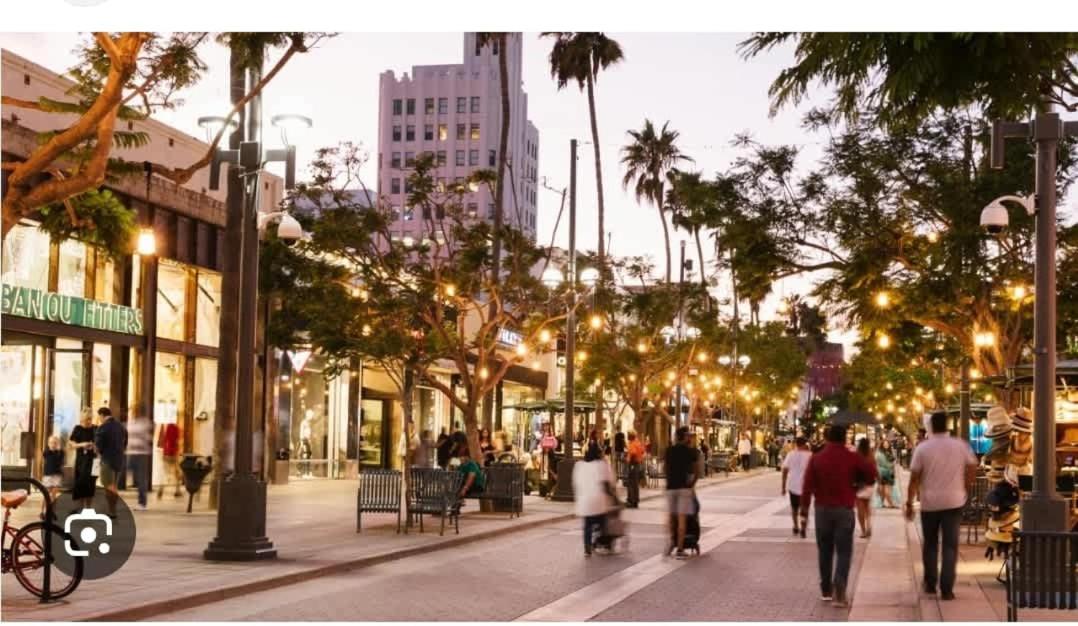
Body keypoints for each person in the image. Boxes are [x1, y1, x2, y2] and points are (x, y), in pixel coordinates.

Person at [801, 424, 877, 607]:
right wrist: (858, 484)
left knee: (824, 551)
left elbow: (807, 486)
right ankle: (840, 589)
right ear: (845, 438)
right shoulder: (852, 457)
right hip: (844, 509)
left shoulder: (817, 458)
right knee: (844, 551)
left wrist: (804, 512)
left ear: (827, 438)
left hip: (822, 510)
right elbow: (871, 473)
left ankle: (826, 590)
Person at [905, 411, 978, 601]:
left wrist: (909, 502)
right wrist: (965, 486)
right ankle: (947, 589)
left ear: (931, 426)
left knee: (930, 544)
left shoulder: (923, 448)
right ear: (947, 425)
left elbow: (914, 478)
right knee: (950, 546)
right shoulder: (960, 445)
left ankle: (930, 583)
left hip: (930, 503)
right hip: (954, 501)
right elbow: (972, 466)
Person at [573, 442, 616, 556]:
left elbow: (576, 483)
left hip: (585, 501)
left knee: (587, 525)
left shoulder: (579, 465)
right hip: (598, 500)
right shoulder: (601, 465)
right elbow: (608, 482)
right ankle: (605, 545)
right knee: (603, 523)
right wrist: (613, 497)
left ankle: (587, 548)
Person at [664, 426, 699, 559]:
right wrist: (691, 485)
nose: (689, 438)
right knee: (682, 519)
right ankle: (679, 548)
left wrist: (669, 480)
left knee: (671, 518)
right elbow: (696, 472)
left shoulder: (669, 450)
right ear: (684, 437)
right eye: (688, 436)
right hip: (684, 488)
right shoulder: (691, 451)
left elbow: (665, 468)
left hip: (671, 487)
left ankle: (671, 542)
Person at [94, 407, 126, 518]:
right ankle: (112, 509)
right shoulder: (120, 426)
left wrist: (97, 452)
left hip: (107, 460)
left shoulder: (103, 427)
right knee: (113, 485)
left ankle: (112, 511)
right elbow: (125, 441)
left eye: (99, 417)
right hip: (119, 459)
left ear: (102, 415)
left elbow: (98, 445)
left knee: (109, 485)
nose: (99, 419)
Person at [781, 436, 812, 538]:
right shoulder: (810, 455)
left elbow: (785, 470)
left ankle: (795, 526)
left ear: (796, 444)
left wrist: (783, 486)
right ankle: (803, 527)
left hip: (793, 485)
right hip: (806, 486)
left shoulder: (791, 454)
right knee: (805, 508)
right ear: (805, 444)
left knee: (794, 508)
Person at [69, 408, 97, 510]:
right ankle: (79, 507)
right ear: (82, 419)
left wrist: (93, 446)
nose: (88, 422)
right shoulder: (78, 428)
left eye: (89, 419)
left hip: (93, 460)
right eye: (85, 420)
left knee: (90, 484)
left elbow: (100, 444)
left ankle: (88, 508)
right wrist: (82, 445)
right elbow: (71, 443)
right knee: (79, 483)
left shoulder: (95, 429)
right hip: (81, 460)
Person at [125, 412, 153, 511]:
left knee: (141, 479)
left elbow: (149, 438)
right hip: (131, 453)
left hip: (141, 454)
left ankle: (142, 503)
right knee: (125, 473)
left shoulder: (145, 423)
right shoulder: (132, 423)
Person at [855, 438, 877, 538]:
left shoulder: (857, 455)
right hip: (870, 484)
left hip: (860, 484)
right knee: (867, 507)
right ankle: (869, 525)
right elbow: (875, 469)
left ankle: (863, 531)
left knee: (860, 509)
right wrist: (879, 479)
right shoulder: (871, 455)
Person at [157, 421, 182, 498]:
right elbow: (177, 441)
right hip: (173, 454)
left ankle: (161, 489)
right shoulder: (176, 428)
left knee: (164, 473)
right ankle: (177, 490)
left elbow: (164, 440)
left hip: (166, 454)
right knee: (177, 473)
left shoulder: (166, 427)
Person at [41, 435, 64, 518]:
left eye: (55, 443)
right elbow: (44, 455)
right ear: (48, 444)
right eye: (51, 443)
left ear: (57, 444)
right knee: (46, 494)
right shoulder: (47, 452)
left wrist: (58, 449)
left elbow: (61, 460)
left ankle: (52, 511)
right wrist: (51, 449)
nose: (53, 444)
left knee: (54, 495)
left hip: (57, 476)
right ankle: (43, 511)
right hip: (48, 476)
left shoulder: (60, 452)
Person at [624, 431, 646, 508]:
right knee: (635, 483)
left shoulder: (632, 444)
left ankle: (631, 501)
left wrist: (630, 461)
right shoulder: (638, 443)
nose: (627, 436)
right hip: (637, 464)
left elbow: (633, 453)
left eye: (628, 435)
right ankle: (635, 500)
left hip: (632, 464)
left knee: (631, 483)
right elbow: (643, 451)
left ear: (631, 436)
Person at [875, 439, 897, 508]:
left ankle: (890, 504)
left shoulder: (891, 453)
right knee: (882, 490)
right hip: (882, 473)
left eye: (887, 444)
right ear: (882, 445)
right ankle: (884, 503)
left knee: (886, 490)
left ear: (889, 445)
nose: (886, 445)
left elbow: (893, 464)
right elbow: (876, 463)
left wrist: (894, 472)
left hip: (889, 473)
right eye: (884, 444)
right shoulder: (879, 453)